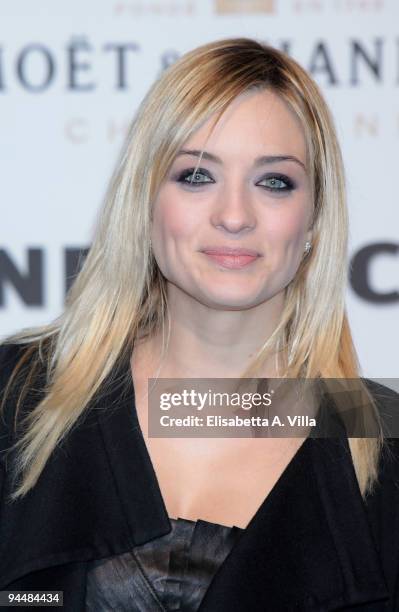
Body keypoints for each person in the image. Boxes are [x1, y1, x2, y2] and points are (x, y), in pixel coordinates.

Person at [0, 37, 398, 612]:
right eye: (195, 175)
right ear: (144, 200)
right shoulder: (15, 396)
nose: (233, 216)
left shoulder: (380, 437)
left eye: (274, 181)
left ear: (315, 216)